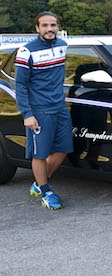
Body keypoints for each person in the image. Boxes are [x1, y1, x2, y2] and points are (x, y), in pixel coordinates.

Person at [15, 11, 72, 210]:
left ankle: (39, 183)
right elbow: (20, 85)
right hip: (39, 110)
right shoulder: (26, 51)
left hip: (60, 107)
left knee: (64, 148)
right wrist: (27, 114)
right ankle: (46, 192)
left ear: (57, 27)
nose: (50, 29)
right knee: (40, 153)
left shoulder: (62, 46)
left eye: (53, 25)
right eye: (45, 25)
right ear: (37, 28)